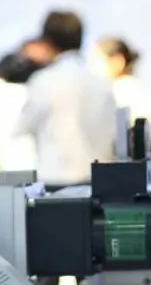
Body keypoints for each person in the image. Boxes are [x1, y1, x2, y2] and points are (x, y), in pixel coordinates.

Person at [14, 10, 117, 187]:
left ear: (47, 41)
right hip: (99, 184)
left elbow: (21, 129)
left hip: (56, 185)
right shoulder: (102, 83)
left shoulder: (43, 81)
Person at [91, 36, 151, 126]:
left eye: (95, 61)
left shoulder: (122, 91)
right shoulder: (133, 87)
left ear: (117, 61)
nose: (91, 67)